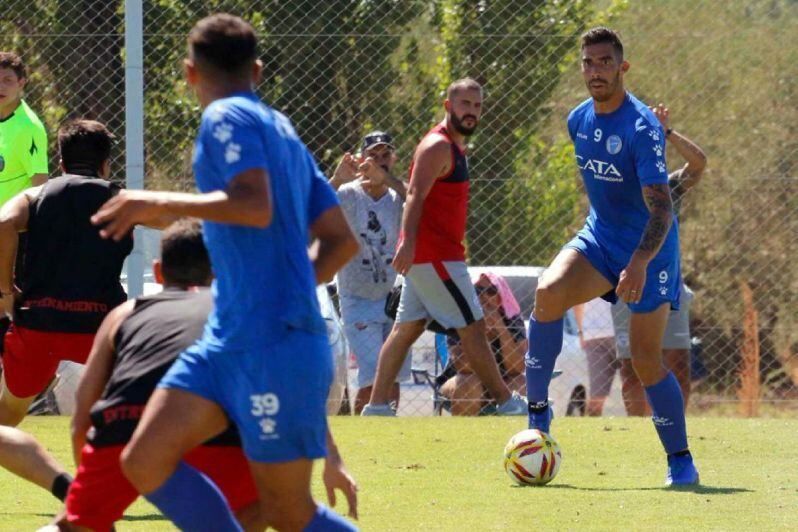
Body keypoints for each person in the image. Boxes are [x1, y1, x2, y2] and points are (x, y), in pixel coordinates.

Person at [90, 14, 360, 531]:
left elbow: (253, 205)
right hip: (226, 342)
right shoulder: (283, 132)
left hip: (271, 345)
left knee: (287, 512)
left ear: (190, 73)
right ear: (256, 69)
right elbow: (340, 239)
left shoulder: (226, 117)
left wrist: (160, 200)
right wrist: (289, 286)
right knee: (143, 459)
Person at [523, 27, 699, 485]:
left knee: (644, 360)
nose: (595, 70)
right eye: (588, 62)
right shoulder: (578, 119)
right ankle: (538, 414)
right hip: (600, 238)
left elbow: (661, 207)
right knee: (547, 292)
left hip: (651, 252)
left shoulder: (641, 127)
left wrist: (638, 262)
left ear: (622, 67)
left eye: (604, 62)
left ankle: (680, 459)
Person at [52, 219, 260, 531]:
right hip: (212, 431)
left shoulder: (125, 313)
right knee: (260, 505)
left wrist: (91, 495)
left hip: (124, 428)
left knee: (71, 525)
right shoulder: (236, 310)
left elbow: (83, 412)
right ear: (217, 271)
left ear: (159, 271)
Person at [362, 78, 526, 417]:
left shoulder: (452, 146)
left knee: (405, 329)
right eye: (464, 104)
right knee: (473, 327)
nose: (472, 111)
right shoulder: (437, 145)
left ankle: (376, 406)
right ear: (448, 106)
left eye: (477, 105)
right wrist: (407, 244)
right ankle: (505, 401)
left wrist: (410, 243)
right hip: (436, 256)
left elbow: (413, 189)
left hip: (432, 256)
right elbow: (414, 196)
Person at [0, 119, 133, 502]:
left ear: (60, 160)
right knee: (132, 411)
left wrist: (6, 291)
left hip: (38, 322)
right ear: (107, 163)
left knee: (8, 412)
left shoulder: (35, 197)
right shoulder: (121, 198)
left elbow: (4, 223)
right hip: (99, 328)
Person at [612, 103, 707, 416]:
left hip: (670, 283)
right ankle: (637, 431)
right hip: (628, 281)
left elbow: (699, 164)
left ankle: (674, 424)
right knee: (631, 366)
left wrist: (668, 132)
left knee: (678, 363)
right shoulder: (615, 184)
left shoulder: (668, 185)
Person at [330, 131, 411, 414]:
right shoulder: (349, 194)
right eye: (372, 156)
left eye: (385, 155)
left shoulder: (397, 196)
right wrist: (338, 178)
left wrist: (386, 179)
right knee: (372, 376)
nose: (379, 161)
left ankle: (390, 435)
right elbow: (312, 213)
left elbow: (419, 197)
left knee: (394, 375)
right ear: (361, 160)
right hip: (358, 298)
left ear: (393, 158)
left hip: (392, 297)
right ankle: (368, 432)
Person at [439, 273, 527, 416]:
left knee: (520, 383)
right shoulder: (460, 318)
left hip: (503, 382)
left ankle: (509, 434)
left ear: (500, 296)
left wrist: (500, 327)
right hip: (460, 381)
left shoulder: (512, 320)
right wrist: (479, 331)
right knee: (470, 382)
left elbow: (517, 368)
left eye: (491, 291)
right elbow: (463, 367)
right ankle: (462, 434)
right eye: (478, 291)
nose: (484, 297)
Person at [0, 52, 49, 202]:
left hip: (13, 224)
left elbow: (40, 187)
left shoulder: (29, 127)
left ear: (21, 83)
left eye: (7, 80)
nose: (0, 86)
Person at [573, 298, 617, 416]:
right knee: (635, 386)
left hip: (594, 334)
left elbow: (578, 300)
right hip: (620, 329)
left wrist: (581, 331)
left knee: (596, 396)